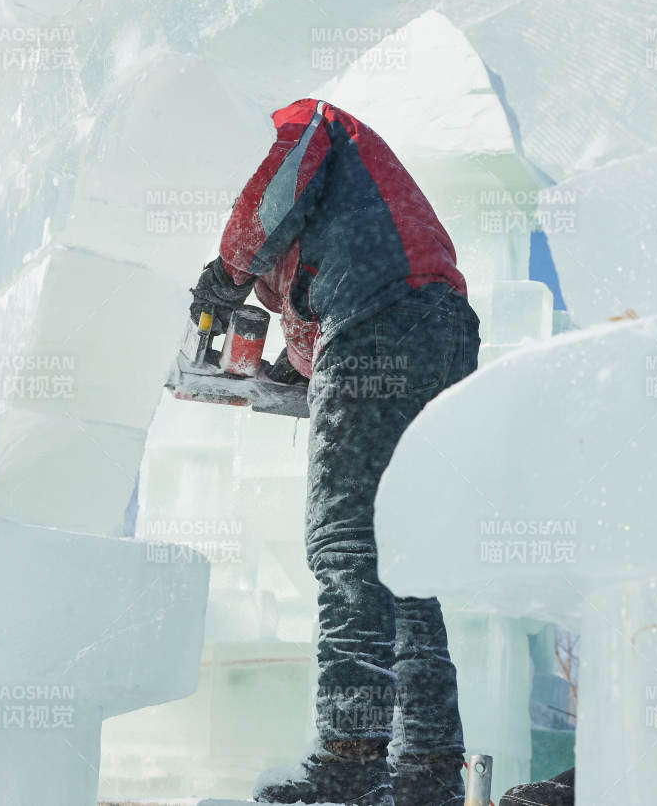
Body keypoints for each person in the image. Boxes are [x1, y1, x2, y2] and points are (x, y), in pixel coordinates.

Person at [188, 98, 481, 806]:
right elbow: (313, 337)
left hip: (380, 317)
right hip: (439, 333)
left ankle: (349, 762)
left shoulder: (305, 127)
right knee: (403, 559)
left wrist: (226, 273)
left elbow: (291, 169)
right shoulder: (337, 230)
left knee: (346, 544)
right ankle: (427, 771)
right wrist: (277, 376)